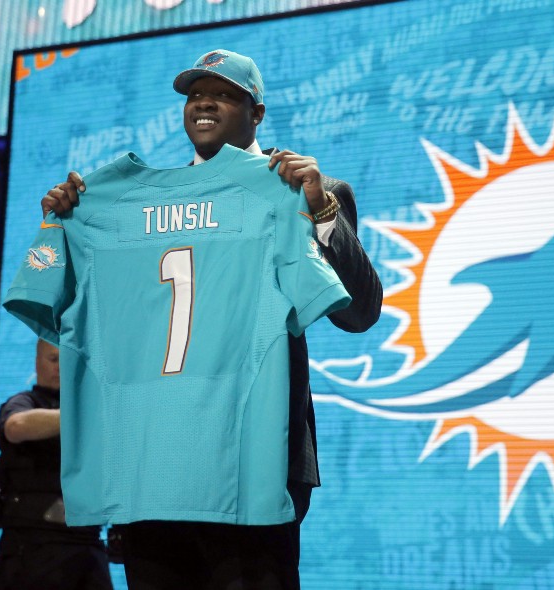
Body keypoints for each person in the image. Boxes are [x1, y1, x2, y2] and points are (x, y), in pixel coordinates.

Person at [35, 49, 383, 589]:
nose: (204, 103)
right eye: (195, 95)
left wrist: (320, 210)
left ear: (257, 113)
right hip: (153, 454)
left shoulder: (306, 189)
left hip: (257, 456)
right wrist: (70, 218)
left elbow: (360, 313)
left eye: (223, 95)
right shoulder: (130, 204)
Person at [0, 339, 113, 590]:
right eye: (53, 359)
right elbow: (15, 426)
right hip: (33, 545)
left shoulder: (96, 410)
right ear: (37, 362)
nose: (59, 368)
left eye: (67, 361)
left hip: (87, 542)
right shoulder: (24, 402)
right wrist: (79, 417)